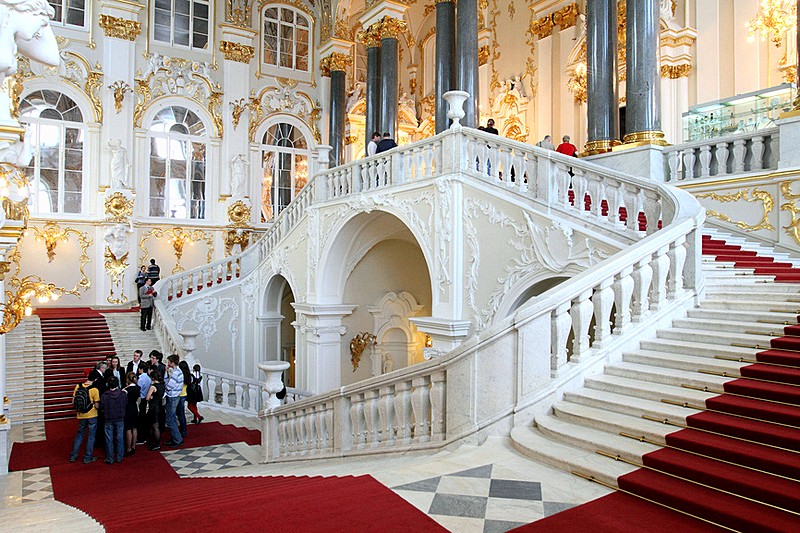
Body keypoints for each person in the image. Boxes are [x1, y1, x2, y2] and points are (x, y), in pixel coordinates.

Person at [69, 373, 100, 464]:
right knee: (91, 436)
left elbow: (73, 401)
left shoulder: (78, 386)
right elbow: (97, 405)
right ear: (95, 380)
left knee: (79, 435)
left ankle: (73, 456)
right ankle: (87, 457)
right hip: (92, 415)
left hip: (81, 414)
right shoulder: (94, 390)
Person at [100, 376, 127, 464]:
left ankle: (110, 458)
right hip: (119, 418)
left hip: (108, 418)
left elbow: (101, 406)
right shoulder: (122, 394)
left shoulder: (104, 395)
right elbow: (125, 403)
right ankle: (119, 457)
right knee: (120, 437)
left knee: (109, 438)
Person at [164, 354, 184, 447]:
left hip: (172, 397)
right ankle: (175, 437)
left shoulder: (176, 373)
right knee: (172, 419)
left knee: (170, 419)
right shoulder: (178, 371)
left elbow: (169, 386)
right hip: (175, 396)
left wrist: (165, 378)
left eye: (168, 362)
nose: (167, 363)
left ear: (172, 362)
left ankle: (177, 439)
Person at [145, 367, 164, 451]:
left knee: (154, 426)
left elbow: (147, 397)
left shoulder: (153, 386)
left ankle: (156, 443)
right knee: (156, 425)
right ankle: (154, 442)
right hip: (160, 406)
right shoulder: (162, 385)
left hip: (153, 407)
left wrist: (151, 397)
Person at [123, 372, 140, 456]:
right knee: (134, 428)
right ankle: (133, 446)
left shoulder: (126, 390)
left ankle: (128, 448)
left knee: (128, 429)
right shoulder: (138, 388)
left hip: (128, 409)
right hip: (135, 408)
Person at [136, 361, 151, 445]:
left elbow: (138, 389)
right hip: (145, 398)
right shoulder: (148, 378)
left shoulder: (141, 378)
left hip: (141, 398)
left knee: (140, 418)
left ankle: (141, 437)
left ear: (140, 369)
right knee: (143, 417)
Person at [177, 360, 191, 438]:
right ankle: (183, 429)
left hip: (180, 395)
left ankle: (183, 430)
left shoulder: (181, 375)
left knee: (180, 414)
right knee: (181, 413)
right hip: (184, 394)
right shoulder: (188, 375)